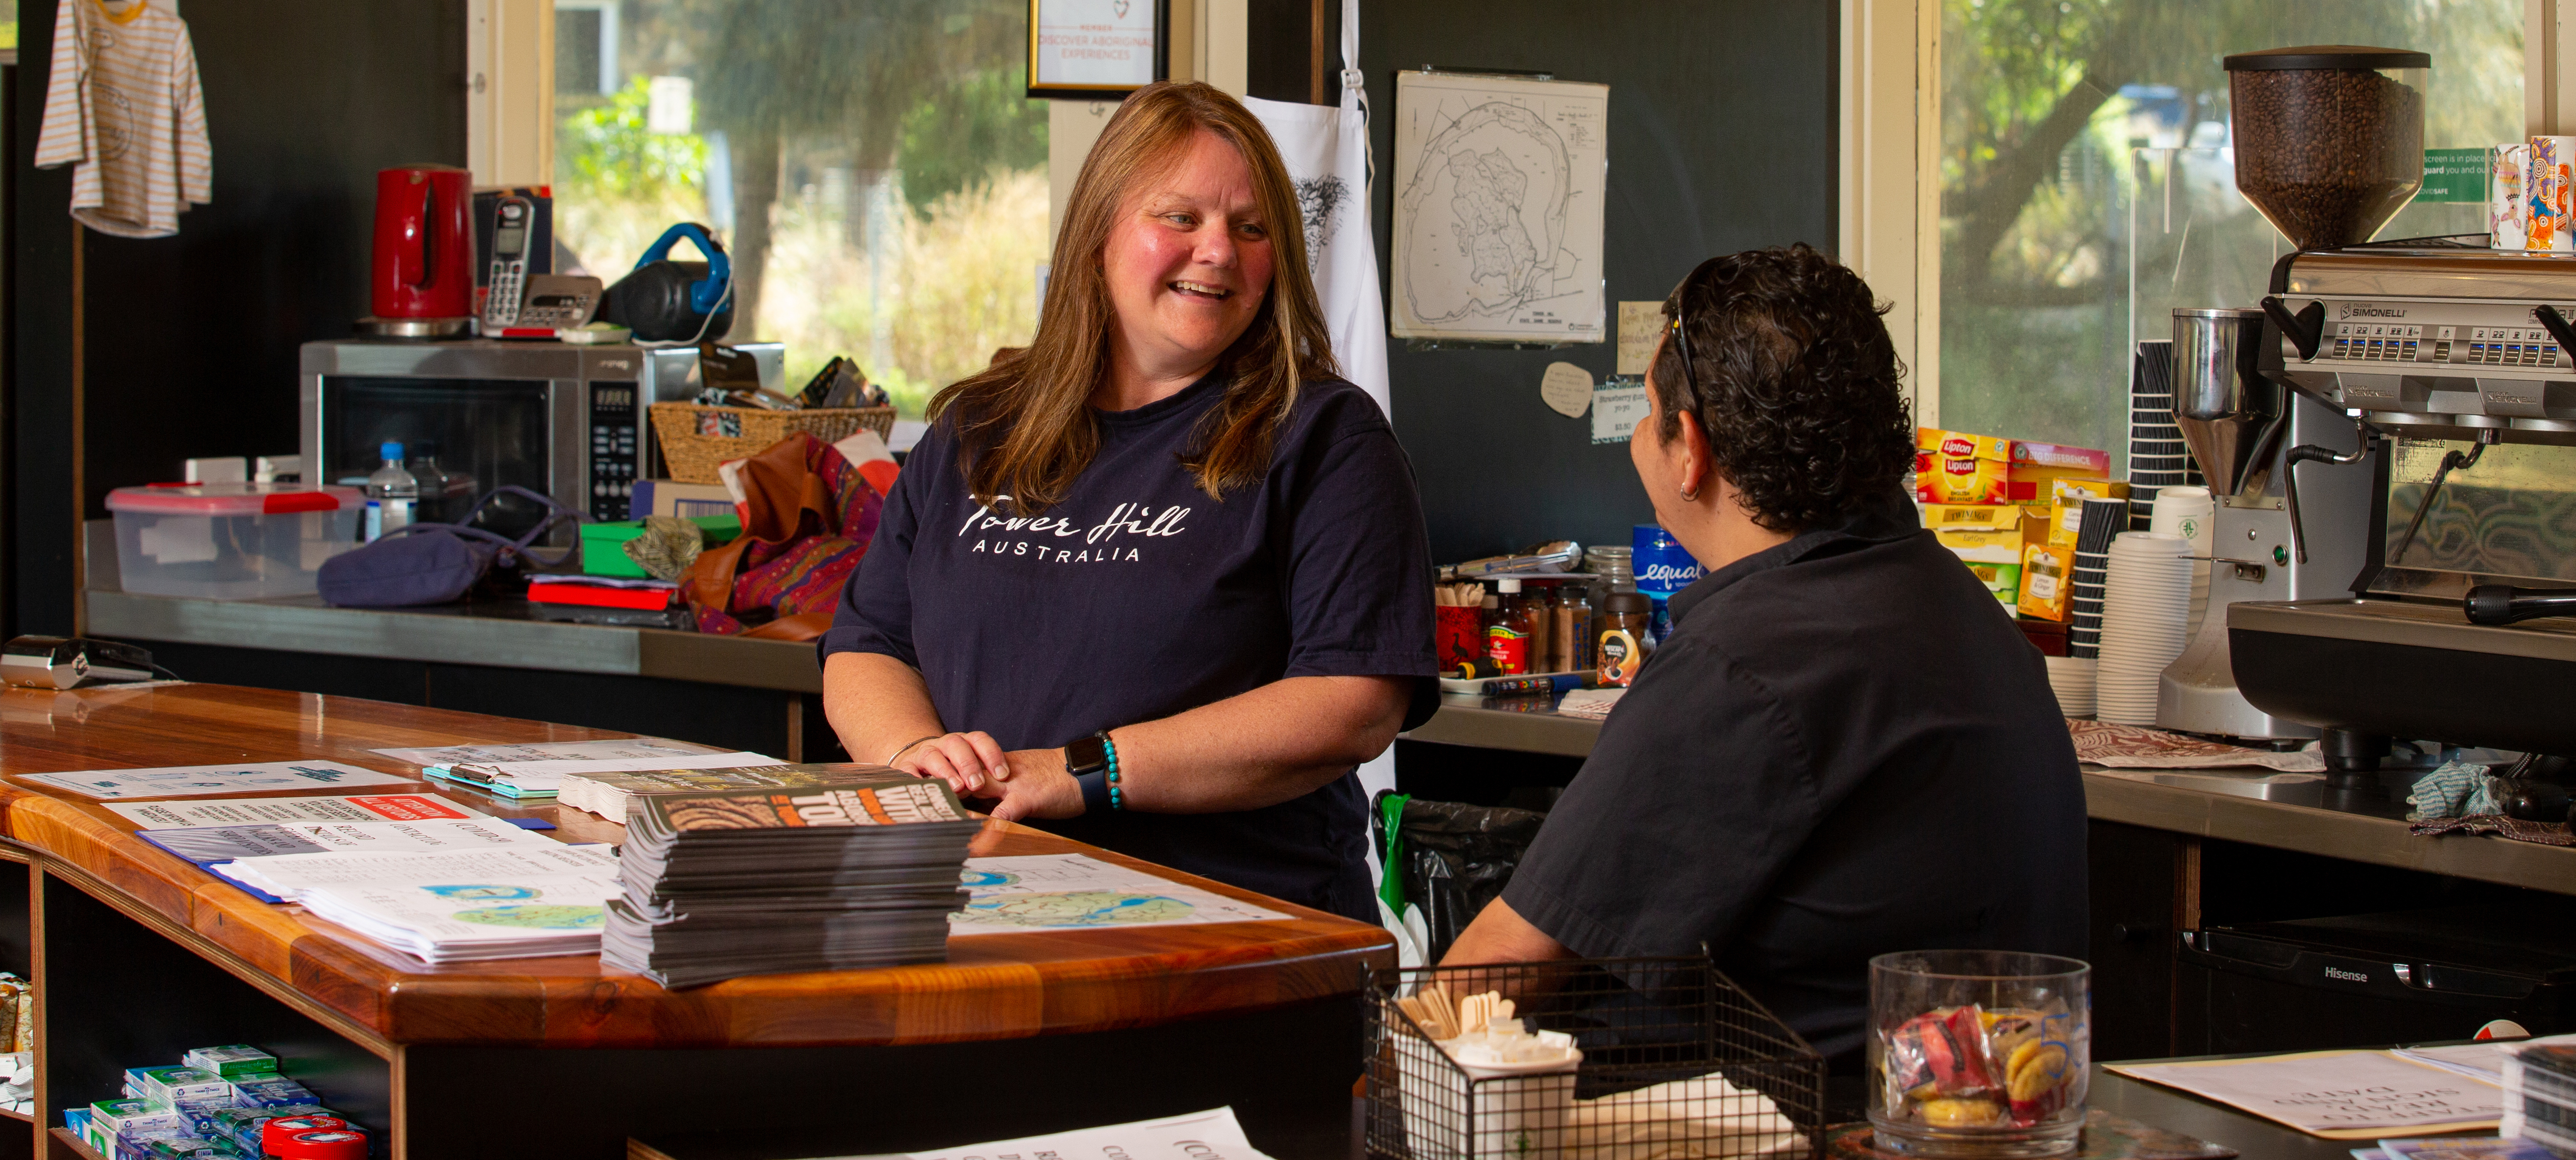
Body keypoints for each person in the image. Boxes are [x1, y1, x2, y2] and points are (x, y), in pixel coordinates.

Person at [1442, 244, 2087, 1070]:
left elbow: (1503, 964)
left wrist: (1374, 1082)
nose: (1639, 438)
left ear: (1690, 449)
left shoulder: (1741, 665)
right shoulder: (1961, 606)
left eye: (1646, 414)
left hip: (1785, 1127)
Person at [820, 81, 1438, 921]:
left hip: (1232, 941)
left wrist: (1081, 772)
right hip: (979, 913)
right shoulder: (982, 425)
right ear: (1098, 233)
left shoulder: (1326, 440)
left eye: (1251, 229)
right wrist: (916, 755)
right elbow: (869, 643)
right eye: (1180, 218)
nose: (1218, 250)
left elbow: (1352, 703)